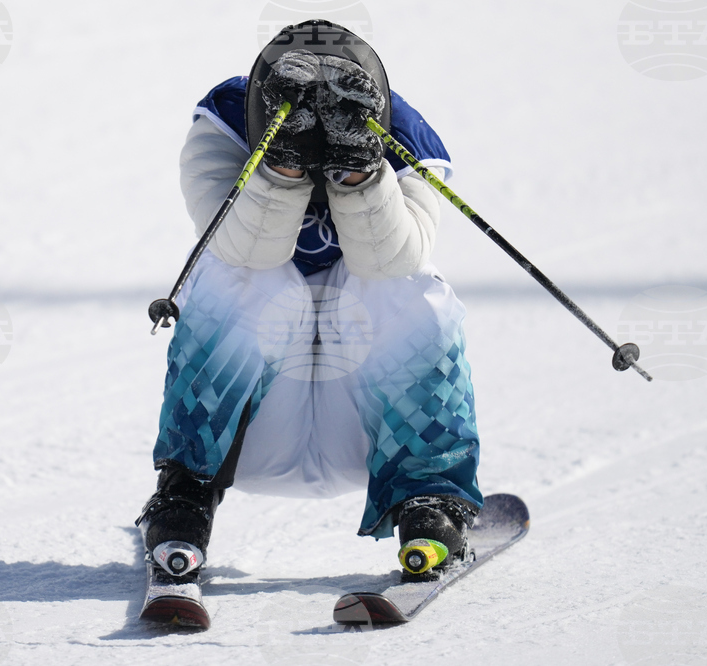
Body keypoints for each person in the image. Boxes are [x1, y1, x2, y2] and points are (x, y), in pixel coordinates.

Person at [137, 20, 485, 589]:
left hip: (370, 433)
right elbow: (240, 248)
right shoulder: (223, 124)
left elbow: (392, 261)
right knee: (235, 273)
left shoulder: (407, 136)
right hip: (250, 432)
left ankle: (429, 496)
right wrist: (283, 166)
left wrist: (361, 170)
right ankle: (186, 495)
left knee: (410, 284)